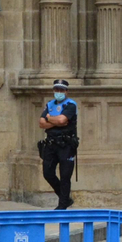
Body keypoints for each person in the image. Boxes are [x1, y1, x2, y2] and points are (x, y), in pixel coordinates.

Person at [38, 79, 79, 210]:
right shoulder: (50, 104)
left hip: (66, 145)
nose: (59, 92)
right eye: (57, 90)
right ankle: (65, 199)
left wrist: (49, 118)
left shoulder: (71, 105)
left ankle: (62, 205)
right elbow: (41, 123)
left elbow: (63, 120)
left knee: (65, 176)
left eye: (61, 90)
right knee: (47, 173)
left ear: (66, 91)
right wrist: (54, 121)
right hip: (51, 144)